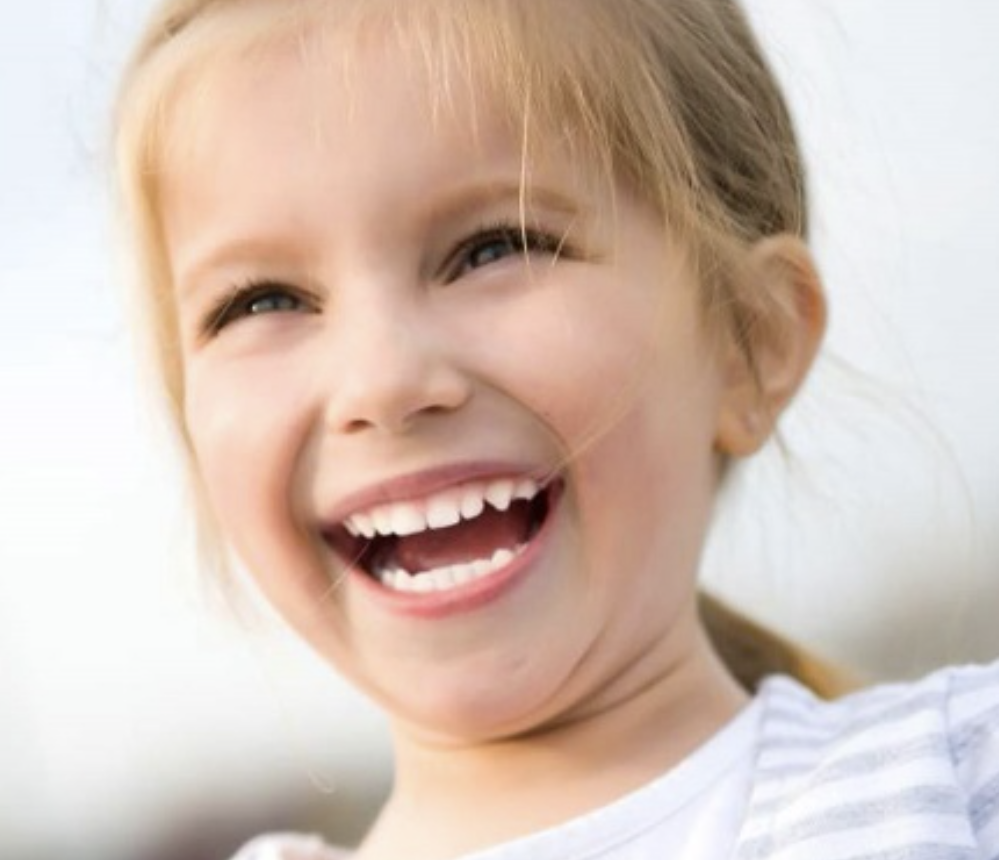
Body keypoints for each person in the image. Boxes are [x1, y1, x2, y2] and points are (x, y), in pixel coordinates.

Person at [112, 1, 999, 857]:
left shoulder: (959, 785)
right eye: (262, 301)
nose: (382, 382)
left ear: (747, 342)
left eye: (495, 247)